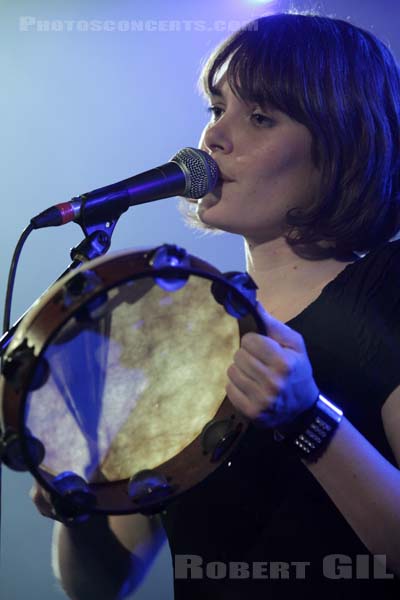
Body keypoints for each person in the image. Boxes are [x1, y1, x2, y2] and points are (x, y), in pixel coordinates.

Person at [31, 11, 400, 599]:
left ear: (339, 146)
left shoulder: (388, 289)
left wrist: (309, 422)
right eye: (216, 109)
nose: (214, 137)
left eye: (259, 116)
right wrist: (77, 495)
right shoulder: (185, 322)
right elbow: (100, 585)